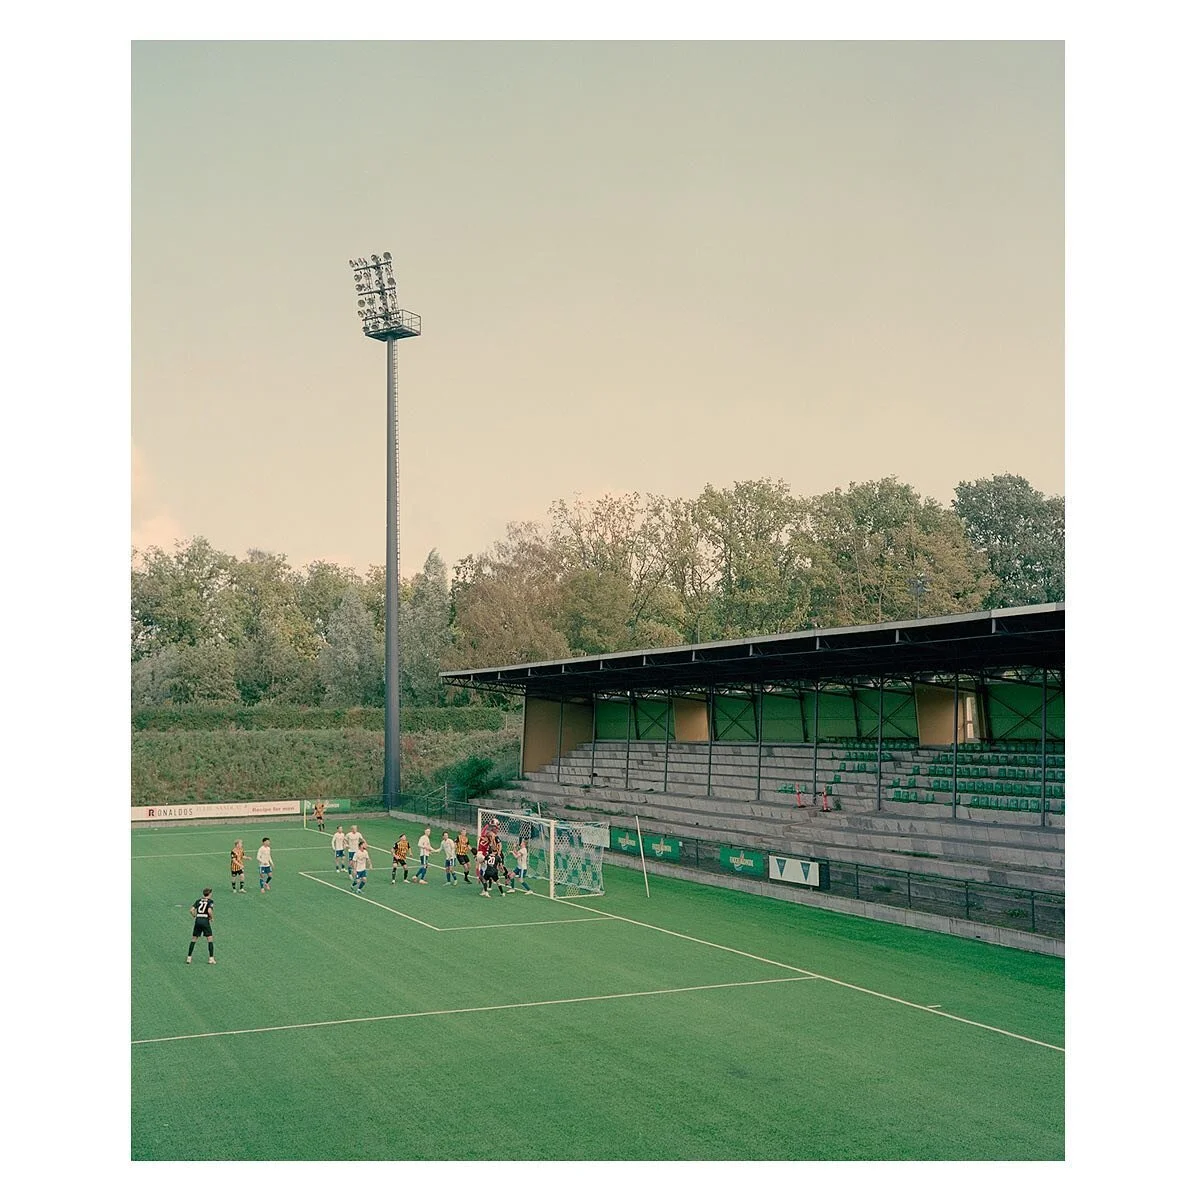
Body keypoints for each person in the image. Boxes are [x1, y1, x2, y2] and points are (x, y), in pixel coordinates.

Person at [186, 888, 216, 963]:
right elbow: (209, 911)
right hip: (205, 920)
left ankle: (189, 957)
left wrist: (194, 916)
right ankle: (211, 958)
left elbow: (191, 910)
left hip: (198, 920)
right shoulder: (210, 901)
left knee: (194, 938)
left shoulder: (198, 901)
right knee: (210, 938)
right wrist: (212, 917)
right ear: (209, 894)